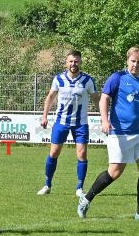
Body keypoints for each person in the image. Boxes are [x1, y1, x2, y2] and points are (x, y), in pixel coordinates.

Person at [78, 46, 139, 220]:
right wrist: (105, 121)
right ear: (127, 61)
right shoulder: (117, 77)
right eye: (133, 61)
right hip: (119, 132)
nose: (135, 65)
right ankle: (87, 198)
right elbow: (104, 99)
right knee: (114, 172)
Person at [37, 50, 98, 197]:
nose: (73, 64)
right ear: (66, 62)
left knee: (82, 153)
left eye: (76, 61)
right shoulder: (58, 79)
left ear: (80, 62)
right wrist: (44, 116)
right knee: (54, 152)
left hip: (80, 123)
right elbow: (50, 97)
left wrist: (104, 116)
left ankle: (79, 188)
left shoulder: (87, 80)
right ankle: (47, 184)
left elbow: (96, 98)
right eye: (71, 61)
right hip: (61, 122)